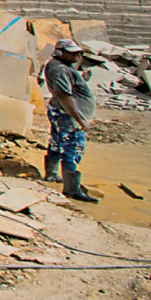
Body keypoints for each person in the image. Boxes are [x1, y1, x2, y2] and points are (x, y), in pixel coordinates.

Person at [43, 39, 99, 202]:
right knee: (72, 148)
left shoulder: (56, 65)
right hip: (68, 115)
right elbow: (64, 95)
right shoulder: (61, 70)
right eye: (73, 52)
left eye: (78, 52)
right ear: (60, 53)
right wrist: (81, 120)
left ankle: (52, 174)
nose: (77, 55)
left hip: (58, 111)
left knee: (56, 142)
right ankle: (71, 189)